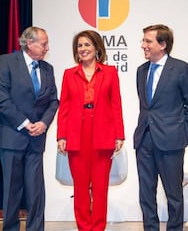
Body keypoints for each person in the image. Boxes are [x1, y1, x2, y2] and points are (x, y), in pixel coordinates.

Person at [57, 30, 125, 231]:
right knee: (80, 188)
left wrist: (119, 134)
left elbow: (116, 104)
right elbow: (65, 107)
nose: (83, 49)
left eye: (87, 45)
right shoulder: (69, 74)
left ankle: (97, 227)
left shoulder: (110, 72)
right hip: (76, 135)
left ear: (96, 48)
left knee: (100, 187)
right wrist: (61, 135)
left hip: (103, 134)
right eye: (80, 45)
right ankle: (84, 227)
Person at [134, 24, 188, 231]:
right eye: (143, 40)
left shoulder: (181, 69)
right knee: (146, 194)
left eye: (147, 41)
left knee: (173, 195)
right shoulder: (141, 71)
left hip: (171, 140)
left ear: (162, 44)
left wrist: (176, 128)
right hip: (144, 138)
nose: (143, 45)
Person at [0, 26, 59, 231]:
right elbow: (1, 99)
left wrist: (44, 123)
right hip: (12, 136)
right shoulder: (6, 62)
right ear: (29, 43)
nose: (47, 48)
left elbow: (53, 102)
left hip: (36, 138)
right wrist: (25, 123)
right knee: (12, 190)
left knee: (36, 190)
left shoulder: (47, 68)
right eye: (44, 43)